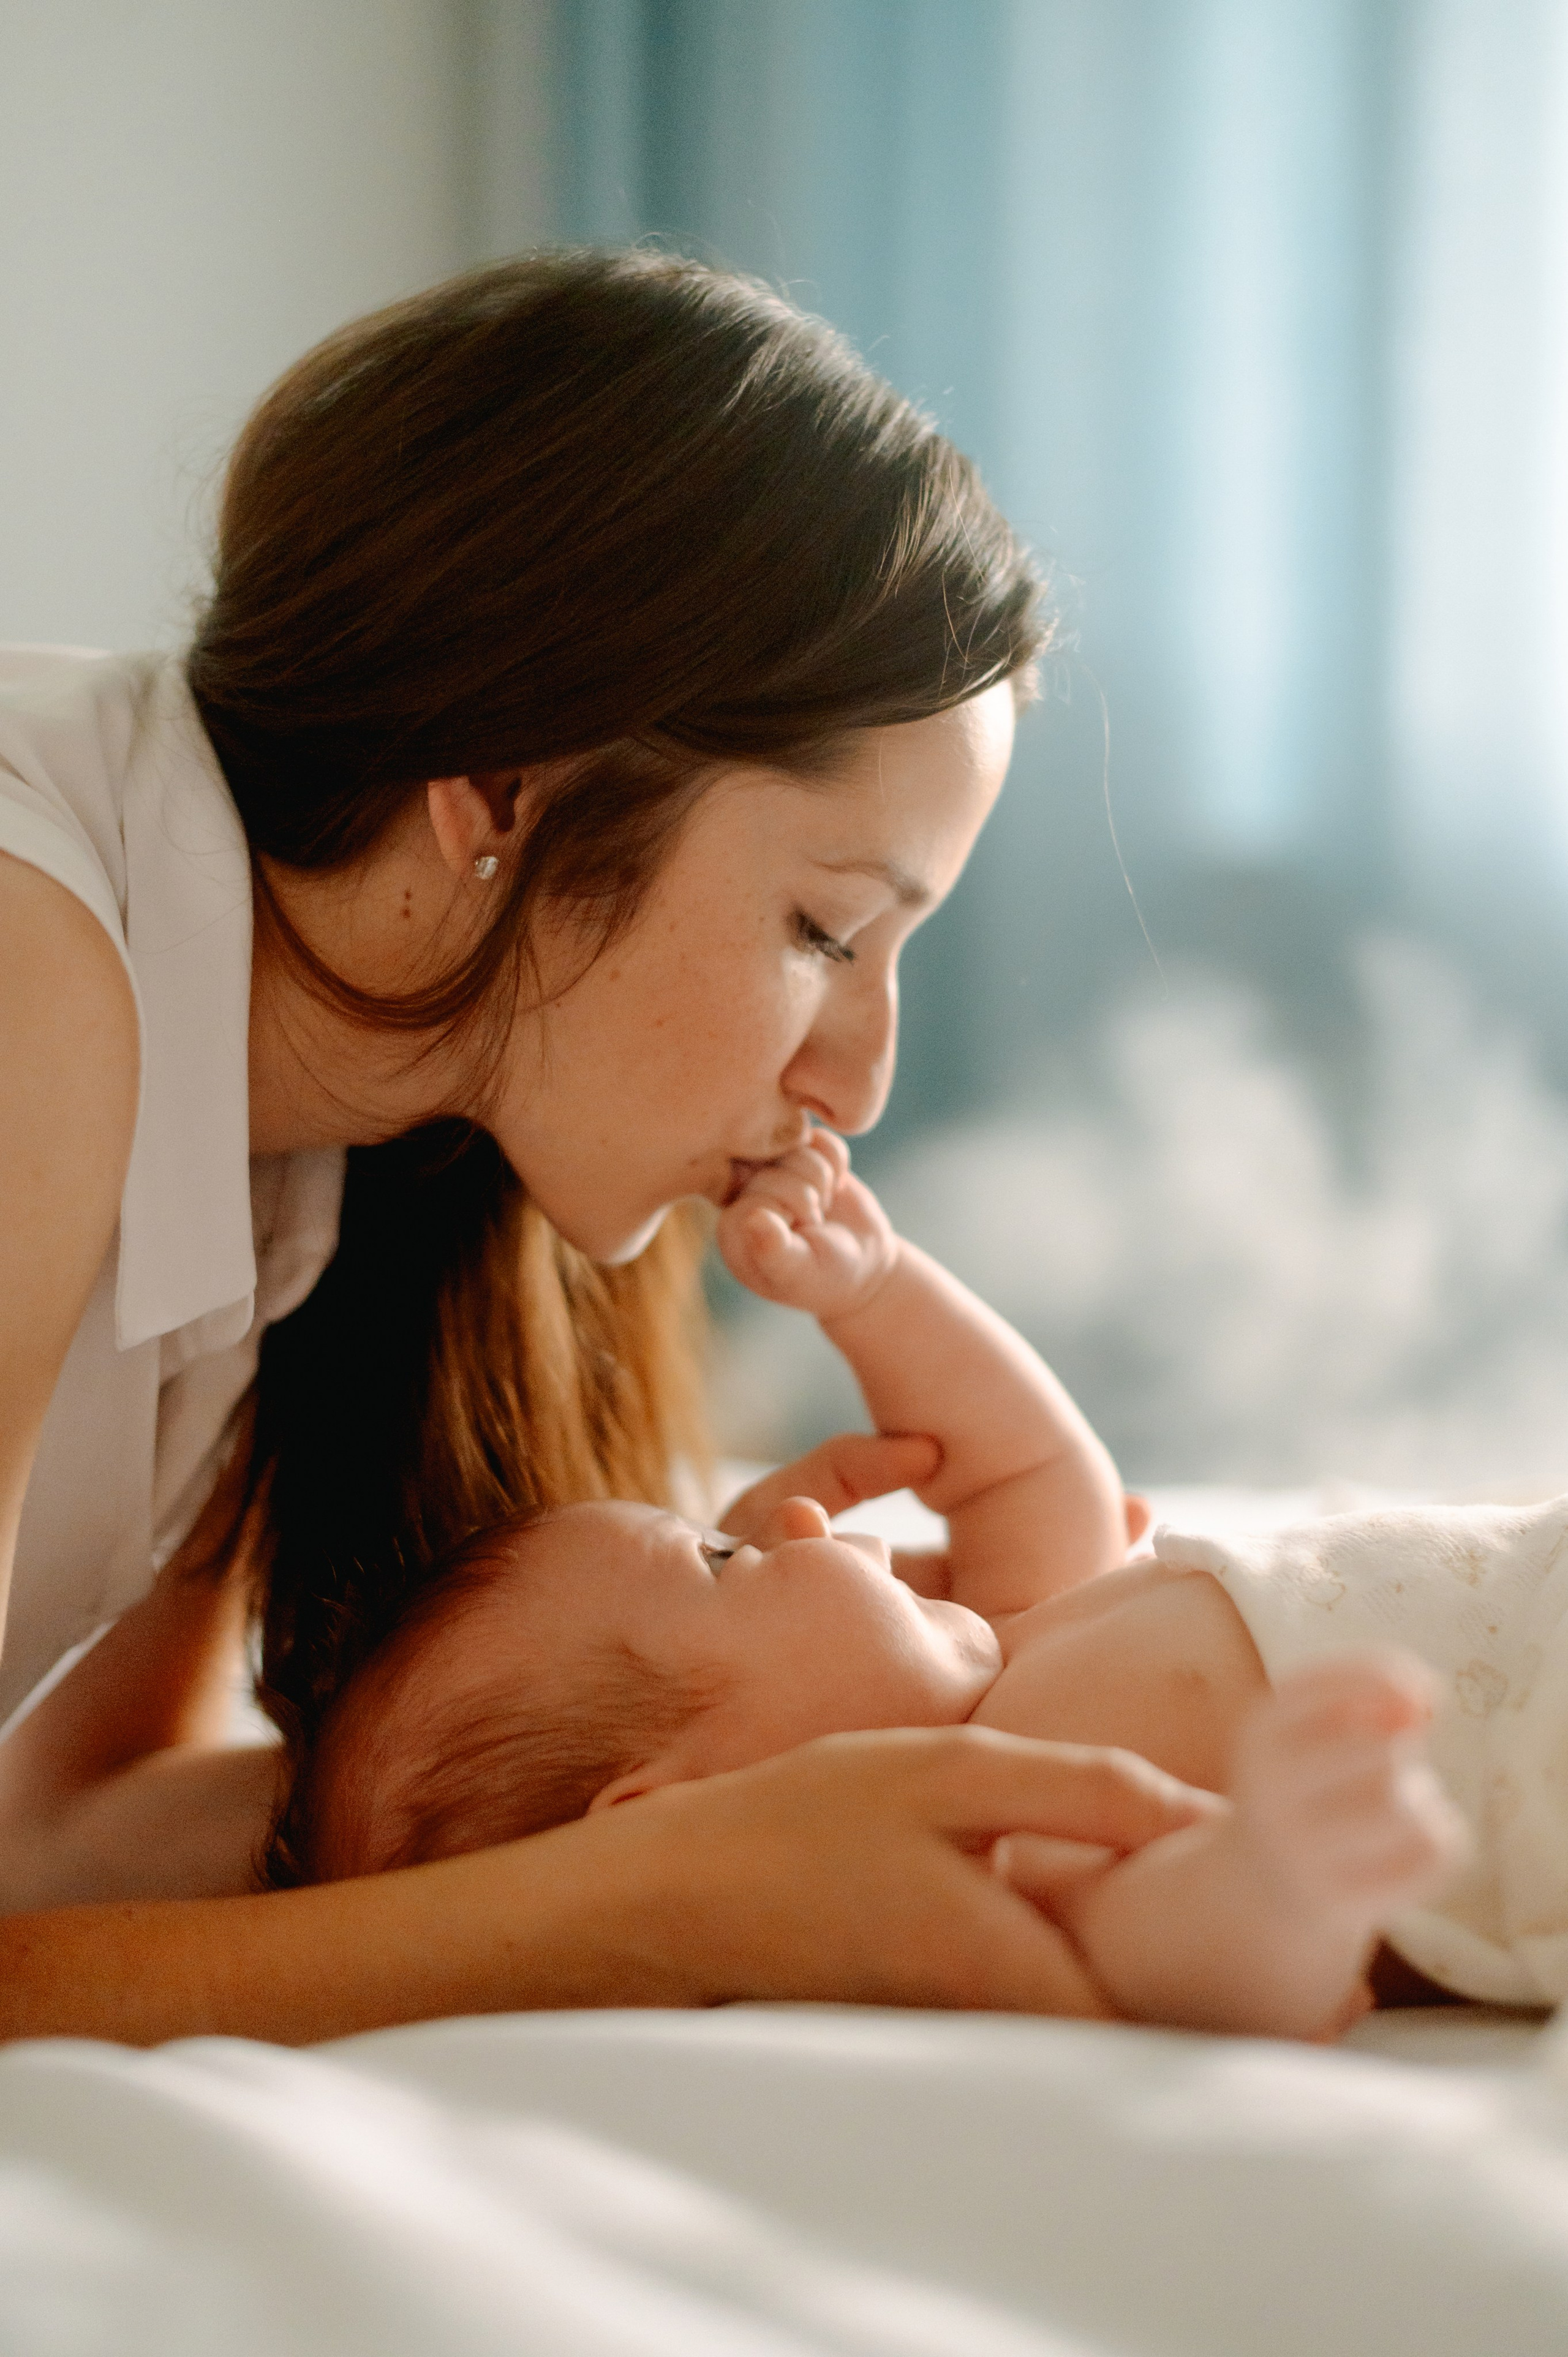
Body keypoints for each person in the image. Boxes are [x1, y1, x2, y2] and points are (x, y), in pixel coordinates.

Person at [0, 250, 1214, 2045]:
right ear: (503, 788)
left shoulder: (329, 1119)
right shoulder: (33, 978)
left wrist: (754, 1739)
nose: (860, 1080)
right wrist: (628, 1904)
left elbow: (64, 1840)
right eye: (823, 930)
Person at [295, 1133, 1466, 2042]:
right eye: (722, 1560)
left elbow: (1031, 1466)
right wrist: (1281, 1866)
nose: (794, 1517)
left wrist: (872, 1293)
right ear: (674, 1812)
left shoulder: (1008, 1650)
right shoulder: (991, 1848)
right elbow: (1188, 1962)